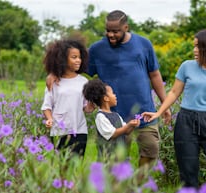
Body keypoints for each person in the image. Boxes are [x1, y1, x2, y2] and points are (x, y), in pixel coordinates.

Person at [46, 10, 171, 167]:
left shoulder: (144, 44)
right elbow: (74, 67)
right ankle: (120, 190)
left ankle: (137, 186)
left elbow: (155, 75)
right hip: (113, 117)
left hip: (144, 113)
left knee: (151, 152)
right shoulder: (97, 50)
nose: (111, 35)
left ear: (126, 27)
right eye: (108, 31)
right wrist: (54, 72)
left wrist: (165, 104)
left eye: (115, 31)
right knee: (113, 164)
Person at [142, 29, 206, 193]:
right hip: (186, 121)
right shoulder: (186, 66)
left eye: (197, 46)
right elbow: (174, 92)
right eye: (194, 46)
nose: (195, 50)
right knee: (188, 168)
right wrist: (159, 112)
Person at [41, 38, 94, 157]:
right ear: (63, 59)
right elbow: (46, 106)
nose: (78, 60)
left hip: (79, 130)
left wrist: (93, 103)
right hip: (59, 131)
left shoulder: (84, 81)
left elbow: (87, 109)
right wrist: (49, 119)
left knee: (75, 167)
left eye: (79, 57)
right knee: (60, 168)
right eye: (74, 57)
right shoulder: (53, 81)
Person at [82, 78, 140, 160]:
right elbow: (113, 134)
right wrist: (129, 125)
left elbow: (126, 131)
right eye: (113, 93)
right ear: (106, 98)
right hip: (108, 158)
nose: (115, 96)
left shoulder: (116, 115)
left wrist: (133, 125)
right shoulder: (100, 117)